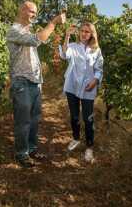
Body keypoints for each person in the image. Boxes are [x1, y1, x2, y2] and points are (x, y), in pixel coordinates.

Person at [6, 1, 66, 168]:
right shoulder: (14, 31)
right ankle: (21, 154)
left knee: (34, 120)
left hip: (34, 82)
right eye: (32, 11)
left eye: (35, 12)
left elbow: (42, 40)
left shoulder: (28, 30)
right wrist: (53, 22)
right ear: (22, 10)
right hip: (22, 81)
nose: (34, 15)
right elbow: (36, 40)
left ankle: (31, 149)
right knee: (23, 121)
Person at [59, 22, 103, 163]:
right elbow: (64, 55)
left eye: (87, 32)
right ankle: (76, 138)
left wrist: (95, 81)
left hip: (88, 88)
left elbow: (99, 69)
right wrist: (67, 35)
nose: (84, 33)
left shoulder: (96, 49)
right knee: (74, 117)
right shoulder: (73, 46)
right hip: (72, 86)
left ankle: (89, 147)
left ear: (92, 34)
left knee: (88, 119)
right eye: (82, 31)